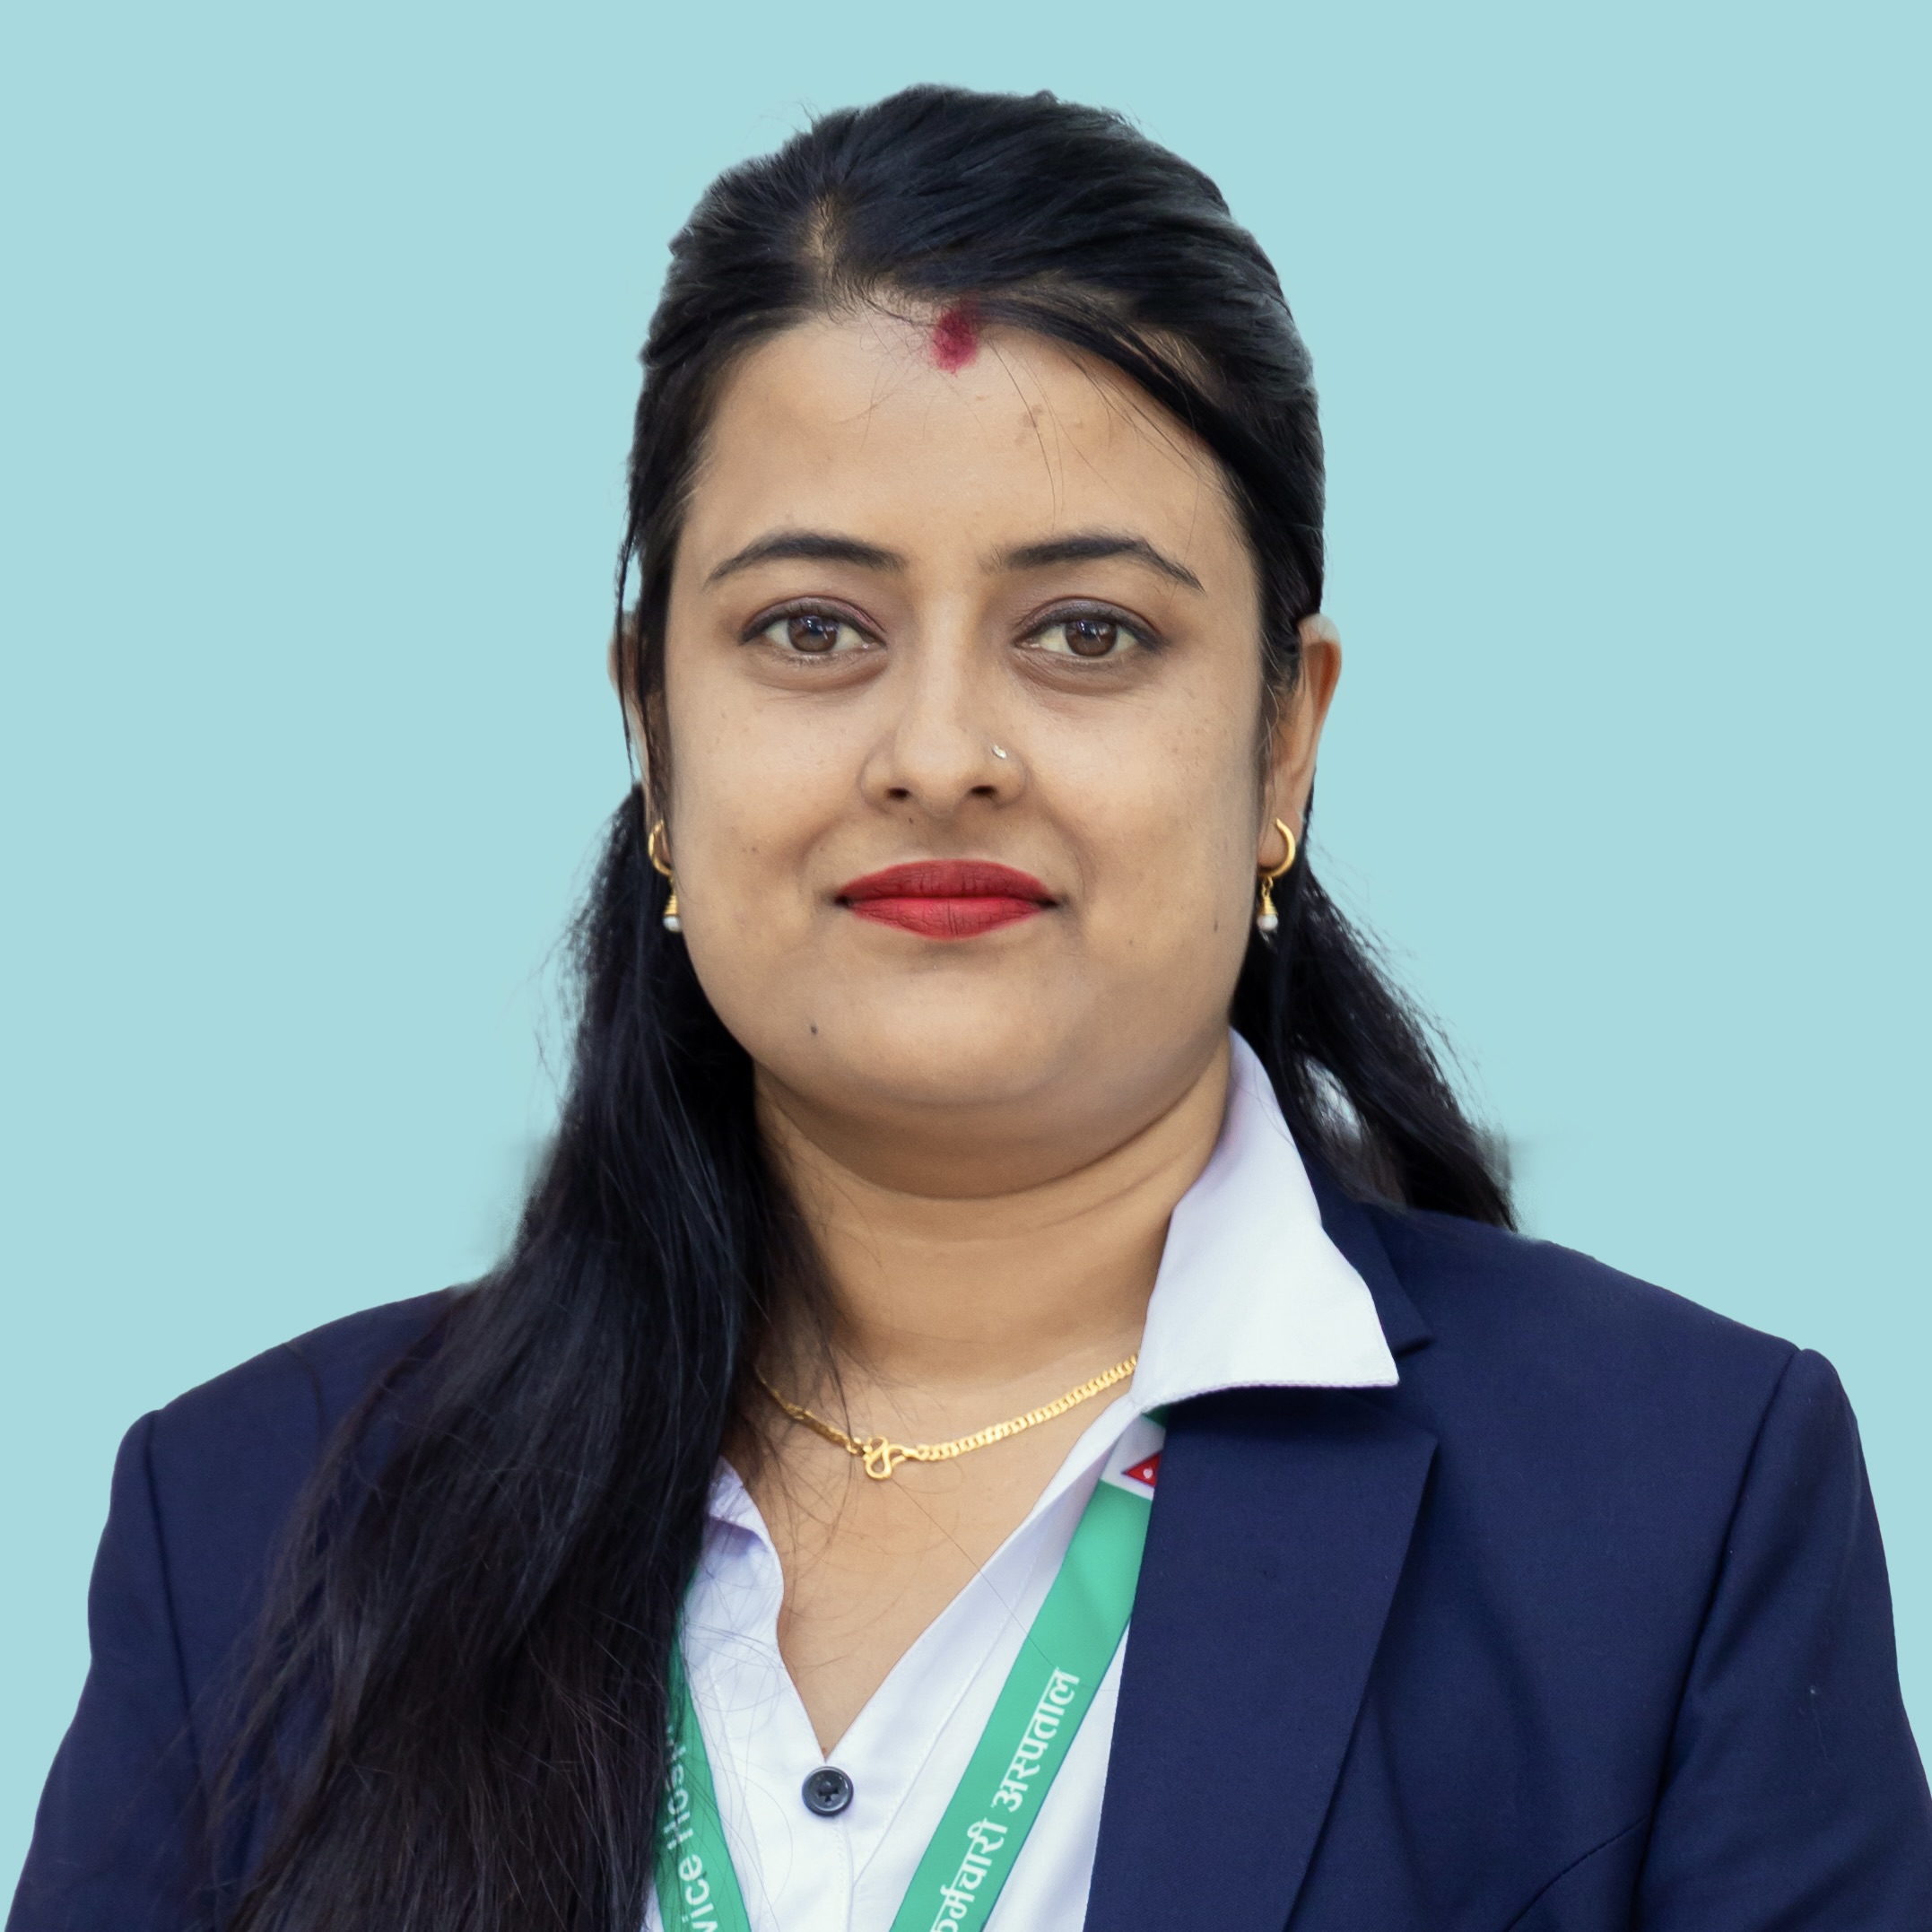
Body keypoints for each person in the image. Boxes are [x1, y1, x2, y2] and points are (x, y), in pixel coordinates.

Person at [10, 83, 1930, 1932]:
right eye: (811, 629)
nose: (940, 752)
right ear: (652, 731)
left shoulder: (1674, 1506)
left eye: (1088, 633)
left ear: (1283, 739)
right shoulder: (249, 1524)